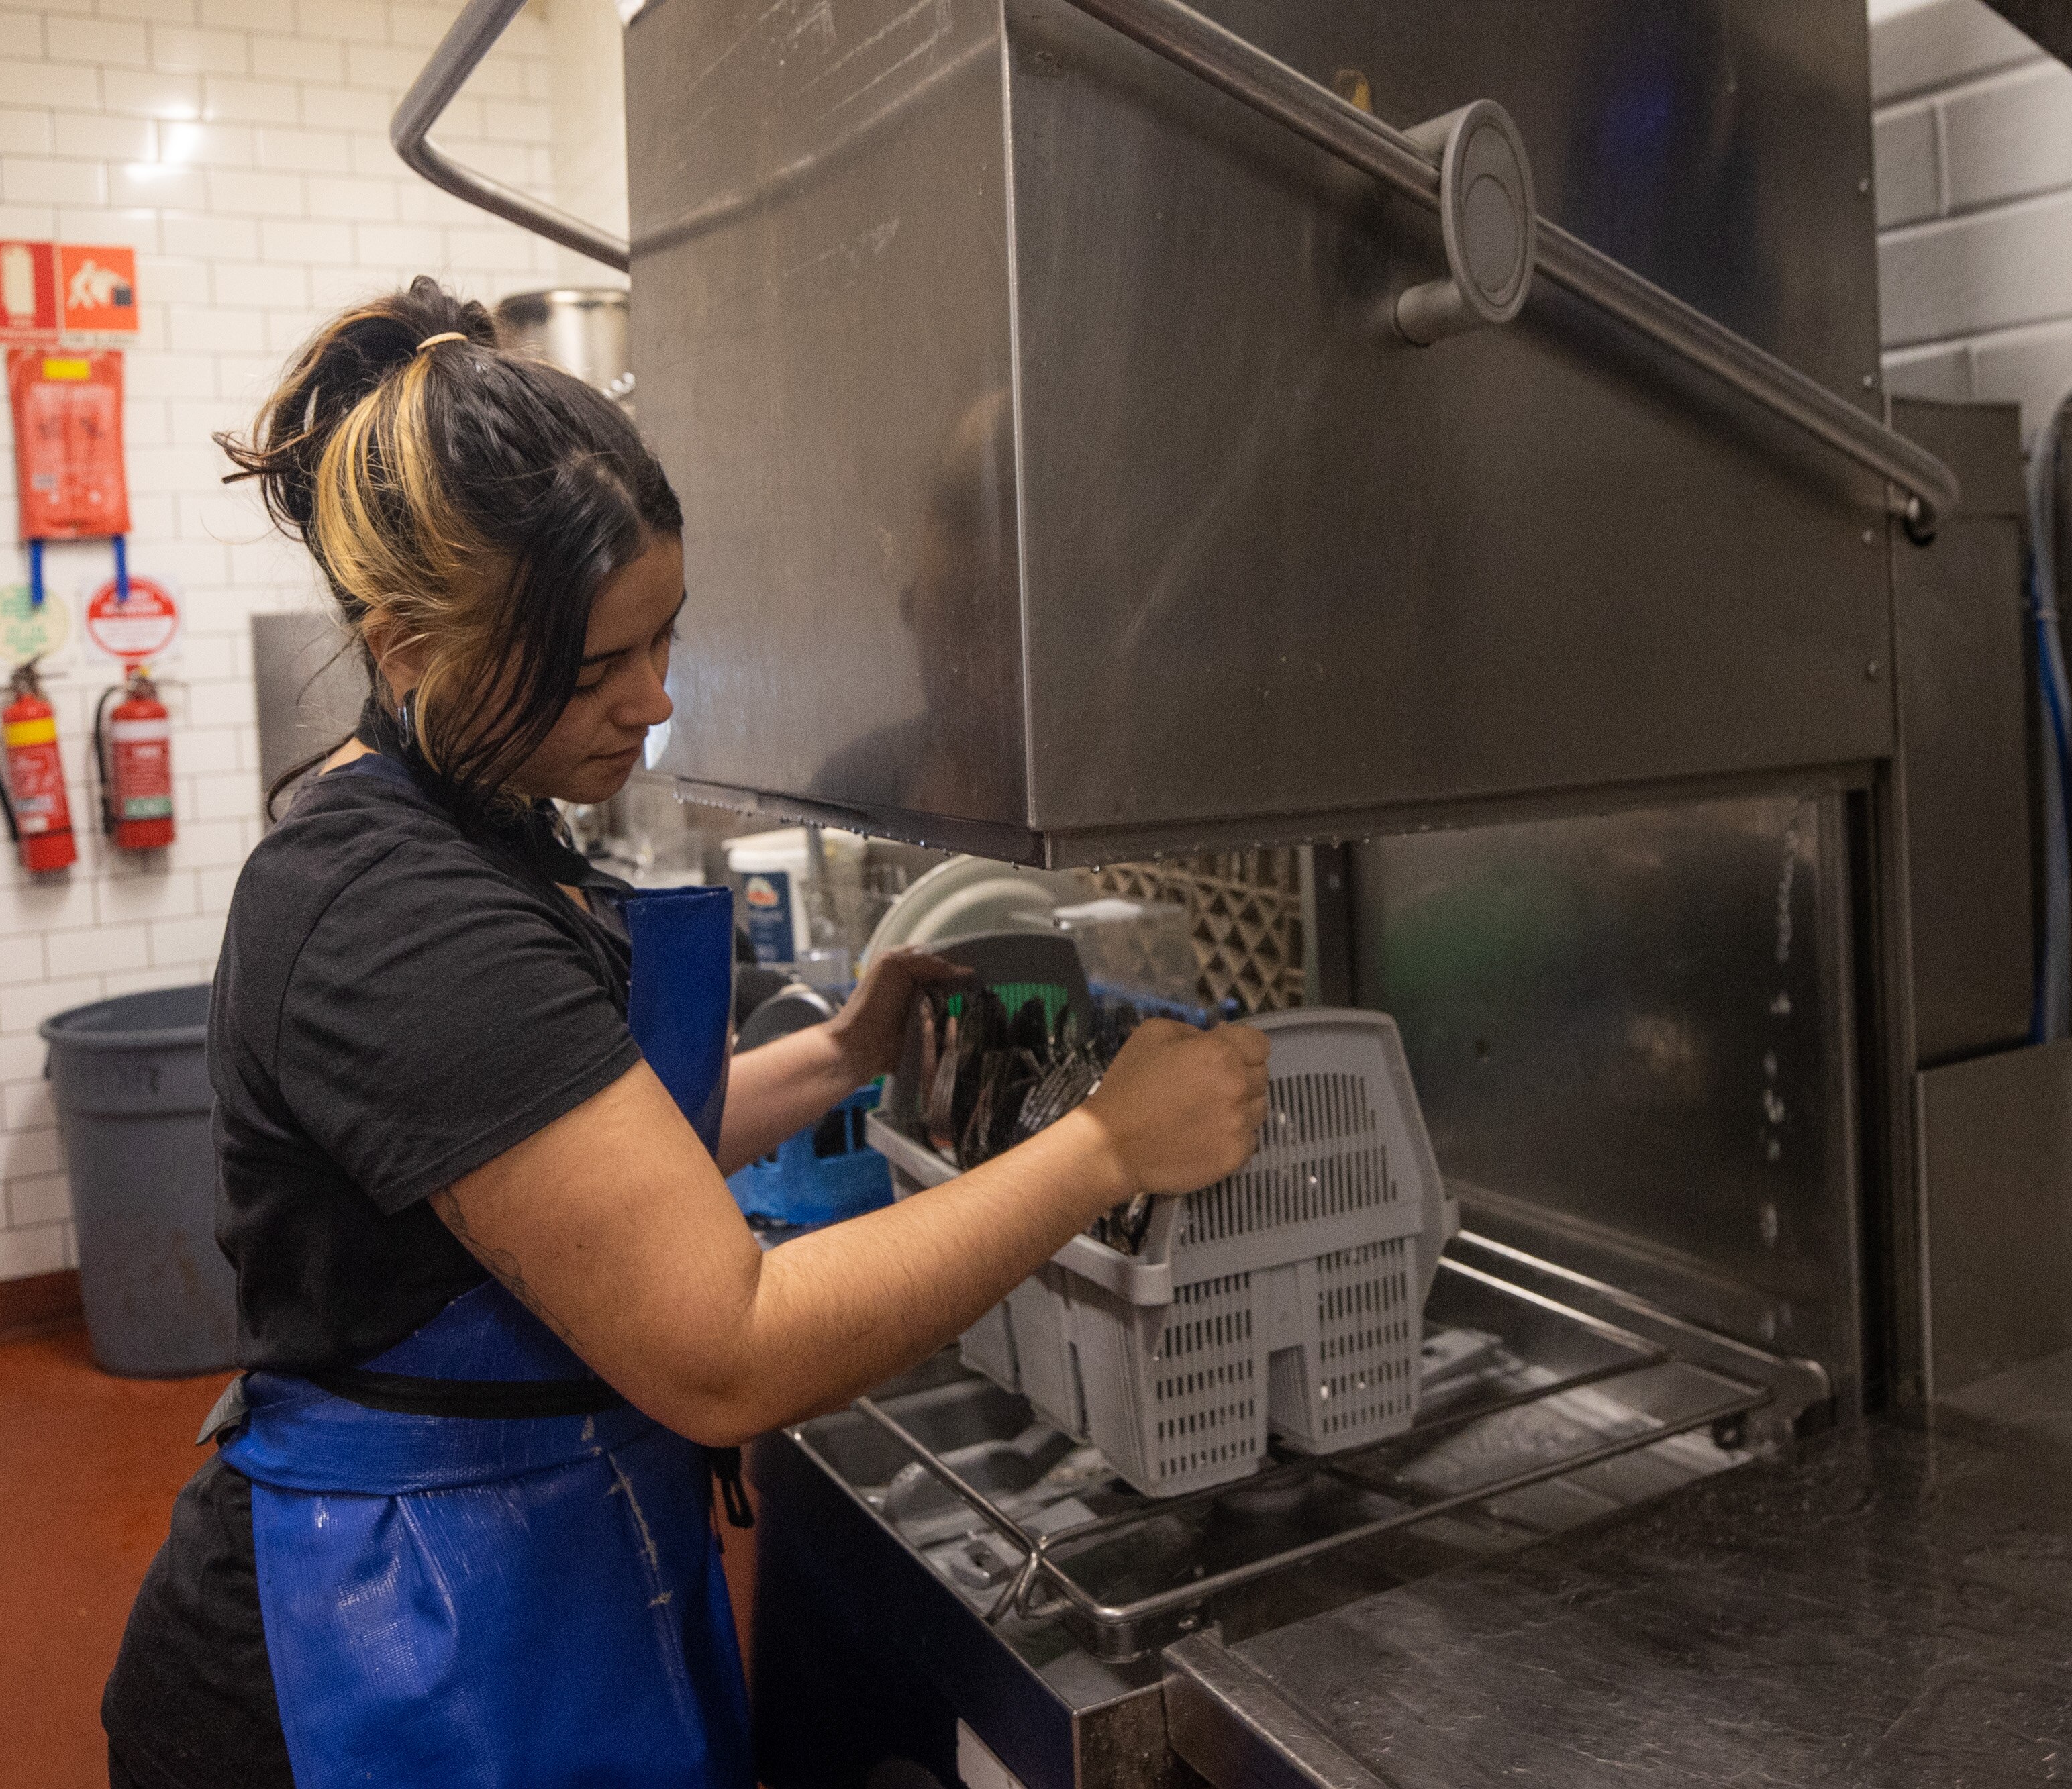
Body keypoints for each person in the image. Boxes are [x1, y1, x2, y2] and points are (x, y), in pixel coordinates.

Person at [100, 280, 1272, 1789]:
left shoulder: (478, 811)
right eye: (595, 670)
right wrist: (1105, 1142)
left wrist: (846, 1047)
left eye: (664, 639)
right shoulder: (392, 911)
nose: (650, 704)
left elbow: (580, 1168)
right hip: (358, 1670)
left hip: (515, 1570)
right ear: (405, 650)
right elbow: (725, 1348)